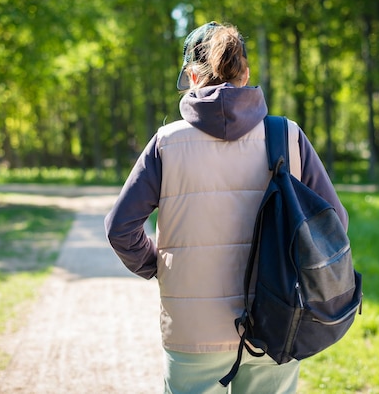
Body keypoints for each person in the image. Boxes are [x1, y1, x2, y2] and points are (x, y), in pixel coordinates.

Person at [104, 21, 348, 394]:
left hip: (192, 327)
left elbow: (120, 228)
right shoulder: (288, 135)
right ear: (246, 73)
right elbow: (335, 223)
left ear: (192, 75)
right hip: (277, 320)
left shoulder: (166, 143)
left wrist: (159, 267)